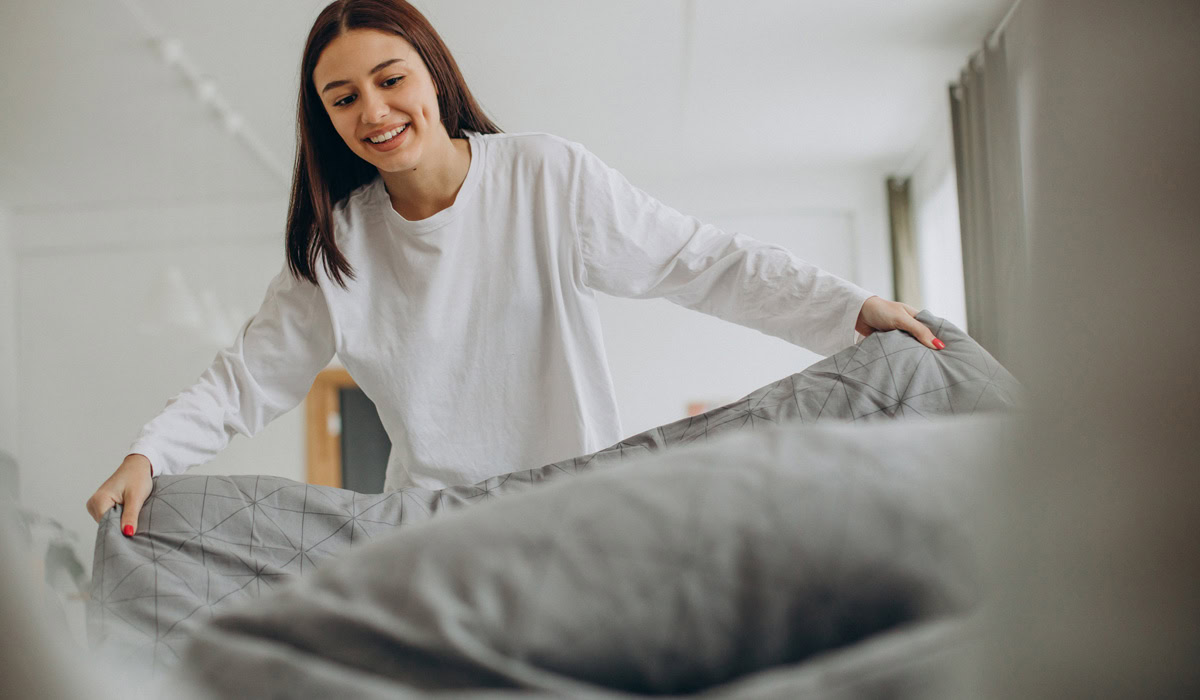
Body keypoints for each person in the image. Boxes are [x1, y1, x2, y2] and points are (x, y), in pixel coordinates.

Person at [86, 0, 943, 536]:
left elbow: (702, 262)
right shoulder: (339, 245)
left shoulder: (543, 176)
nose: (374, 112)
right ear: (325, 119)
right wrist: (149, 454)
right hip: (434, 531)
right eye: (343, 99)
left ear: (435, 75)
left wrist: (848, 309)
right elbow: (246, 381)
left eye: (391, 79)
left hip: (583, 512)